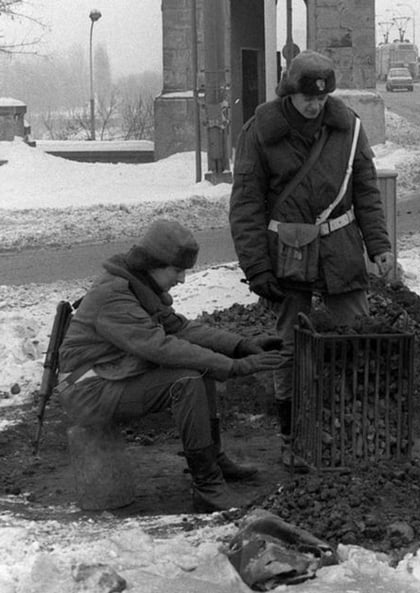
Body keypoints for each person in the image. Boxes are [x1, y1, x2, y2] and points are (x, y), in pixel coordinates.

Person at [229, 50, 395, 472]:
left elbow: (367, 194)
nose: (314, 105)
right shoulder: (259, 132)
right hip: (286, 253)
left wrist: (379, 247)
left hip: (340, 248)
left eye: (321, 98)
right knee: (289, 348)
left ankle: (355, 426)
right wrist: (256, 267)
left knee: (356, 336)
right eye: (306, 97)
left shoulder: (350, 129)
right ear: (289, 91)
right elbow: (246, 205)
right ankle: (291, 437)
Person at [58, 219, 285, 513]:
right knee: (186, 380)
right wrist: (234, 367)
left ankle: (213, 459)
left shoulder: (137, 284)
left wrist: (241, 345)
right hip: (86, 391)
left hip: (109, 377)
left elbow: (181, 329)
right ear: (153, 264)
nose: (182, 280)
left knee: (198, 368)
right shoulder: (114, 295)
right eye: (177, 271)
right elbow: (162, 347)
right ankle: (207, 486)